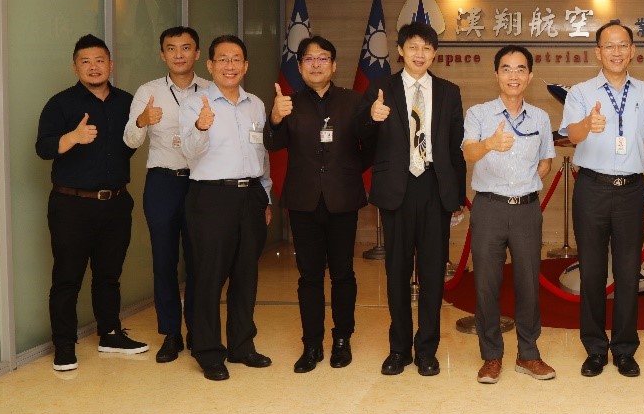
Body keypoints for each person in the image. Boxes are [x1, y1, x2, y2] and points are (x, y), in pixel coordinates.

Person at [357, 22, 466, 378]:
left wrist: (457, 196)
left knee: (433, 274)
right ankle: (399, 349)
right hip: (397, 187)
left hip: (435, 186)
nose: (420, 54)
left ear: (435, 54)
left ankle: (427, 350)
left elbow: (455, 148)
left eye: (427, 48)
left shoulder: (449, 92)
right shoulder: (381, 89)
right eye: (413, 47)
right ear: (401, 50)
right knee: (397, 272)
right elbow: (359, 136)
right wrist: (371, 118)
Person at [560, 20, 644, 378]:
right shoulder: (581, 92)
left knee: (628, 273)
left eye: (623, 45)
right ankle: (594, 349)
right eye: (609, 46)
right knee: (591, 272)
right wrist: (587, 125)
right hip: (592, 188)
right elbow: (572, 135)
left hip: (633, 192)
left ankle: (624, 349)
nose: (616, 52)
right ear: (598, 52)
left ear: (633, 51)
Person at [36, 34, 146, 371]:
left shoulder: (127, 102)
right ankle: (64, 346)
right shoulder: (60, 104)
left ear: (110, 64)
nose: (93, 67)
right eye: (85, 61)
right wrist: (73, 137)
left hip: (115, 204)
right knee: (67, 277)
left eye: (99, 60)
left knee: (109, 275)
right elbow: (43, 148)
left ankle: (110, 334)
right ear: (75, 67)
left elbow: (130, 145)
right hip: (71, 205)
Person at [264, 36, 368, 374]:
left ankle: (342, 339)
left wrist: (347, 171)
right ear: (299, 67)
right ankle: (311, 344)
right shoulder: (288, 103)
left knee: (343, 274)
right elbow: (272, 144)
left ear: (334, 65)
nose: (316, 64)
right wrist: (275, 118)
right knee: (309, 277)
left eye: (323, 58)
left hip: (342, 199)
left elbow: (371, 146)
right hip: (303, 202)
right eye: (309, 59)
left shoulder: (354, 101)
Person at [180, 34, 273, 381]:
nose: (229, 66)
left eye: (236, 59)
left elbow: (261, 153)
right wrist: (201, 126)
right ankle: (208, 351)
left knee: (246, 275)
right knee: (208, 276)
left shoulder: (256, 105)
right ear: (210, 65)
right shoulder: (194, 104)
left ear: (245, 66)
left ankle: (241, 346)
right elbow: (188, 152)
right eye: (222, 59)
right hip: (211, 197)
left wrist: (265, 196)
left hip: (251, 196)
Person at [462, 45, 556, 384]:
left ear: (529, 76)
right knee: (486, 284)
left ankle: (528, 354)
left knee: (528, 283)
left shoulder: (540, 117)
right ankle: (491, 356)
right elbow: (469, 153)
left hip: (527, 210)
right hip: (489, 207)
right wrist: (489, 144)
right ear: (496, 74)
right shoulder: (479, 114)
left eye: (520, 69)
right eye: (506, 68)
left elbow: (546, 161)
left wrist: (525, 183)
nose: (513, 75)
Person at [123, 26, 209, 364]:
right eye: (171, 48)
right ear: (162, 54)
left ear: (197, 53)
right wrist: (142, 120)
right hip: (163, 183)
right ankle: (171, 333)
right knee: (164, 260)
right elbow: (130, 140)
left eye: (186, 48)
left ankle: (199, 331)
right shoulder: (149, 91)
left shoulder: (211, 89)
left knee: (200, 261)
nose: (178, 54)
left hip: (201, 183)